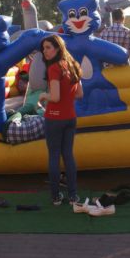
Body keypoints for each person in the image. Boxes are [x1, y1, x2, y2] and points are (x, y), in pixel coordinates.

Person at [38, 35, 83, 206]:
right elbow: (79, 94)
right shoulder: (73, 65)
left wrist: (43, 95)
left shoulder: (54, 69)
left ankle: (56, 197)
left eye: (48, 47)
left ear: (58, 48)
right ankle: (73, 196)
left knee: (54, 157)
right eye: (44, 48)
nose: (45, 51)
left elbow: (55, 97)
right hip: (70, 117)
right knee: (68, 156)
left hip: (54, 118)